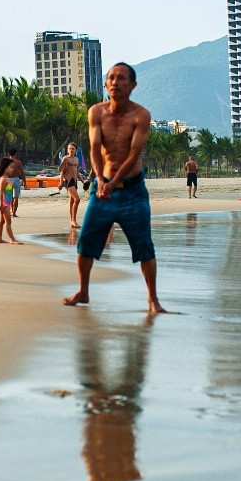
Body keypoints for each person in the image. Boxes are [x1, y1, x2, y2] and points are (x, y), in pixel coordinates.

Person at [63, 63, 166, 314]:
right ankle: (84, 291)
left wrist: (112, 182)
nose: (115, 82)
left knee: (144, 245)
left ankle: (152, 299)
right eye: (111, 78)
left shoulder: (141, 115)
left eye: (121, 78)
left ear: (132, 85)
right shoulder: (96, 112)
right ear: (106, 84)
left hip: (133, 190)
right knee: (86, 241)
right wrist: (100, 180)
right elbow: (95, 148)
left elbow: (133, 154)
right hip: (102, 189)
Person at [0, 159, 22, 244]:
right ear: (5, 168)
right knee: (8, 221)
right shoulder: (3, 179)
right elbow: (1, 192)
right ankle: (12, 239)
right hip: (4, 203)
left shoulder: (7, 179)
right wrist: (1, 204)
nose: (13, 169)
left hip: (7, 202)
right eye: (11, 167)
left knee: (2, 221)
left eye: (13, 167)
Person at [60, 142, 83, 228]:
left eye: (73, 148)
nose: (71, 150)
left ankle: (72, 221)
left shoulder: (77, 159)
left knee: (72, 201)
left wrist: (83, 182)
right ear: (67, 150)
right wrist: (61, 182)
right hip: (68, 181)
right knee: (77, 199)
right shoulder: (65, 158)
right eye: (70, 148)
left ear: (75, 150)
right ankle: (74, 220)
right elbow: (61, 171)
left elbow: (77, 173)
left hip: (75, 181)